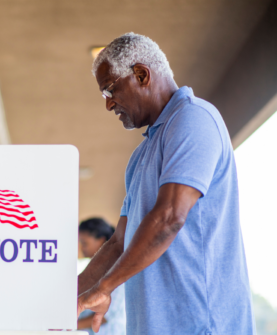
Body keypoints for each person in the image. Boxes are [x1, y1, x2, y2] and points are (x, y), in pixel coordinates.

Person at [77, 33, 255, 334]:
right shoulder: (141, 155)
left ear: (141, 74)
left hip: (201, 325)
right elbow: (120, 242)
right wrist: (68, 296)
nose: (108, 105)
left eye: (110, 90)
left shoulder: (193, 118)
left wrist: (105, 287)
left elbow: (170, 218)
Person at [77, 218, 126, 335]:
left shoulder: (116, 270)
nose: (81, 248)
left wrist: (66, 326)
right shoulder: (90, 271)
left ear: (101, 241)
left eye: (84, 243)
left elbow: (106, 315)